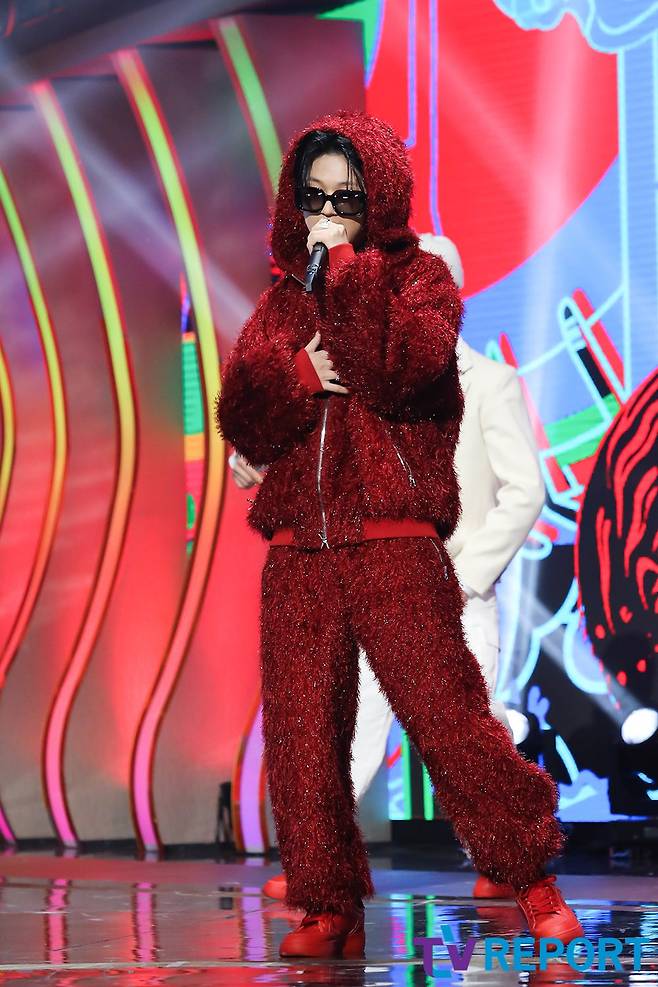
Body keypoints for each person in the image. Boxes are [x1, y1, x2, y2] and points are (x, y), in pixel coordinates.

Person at [216, 110, 582, 959]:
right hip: (298, 548)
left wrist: (348, 275)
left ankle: (531, 876)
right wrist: (299, 375)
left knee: (450, 719)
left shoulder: (421, 282)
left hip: (394, 539)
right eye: (314, 195)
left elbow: (400, 369)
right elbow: (243, 415)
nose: (328, 210)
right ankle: (327, 904)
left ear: (377, 195)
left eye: (345, 195)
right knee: (305, 736)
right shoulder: (281, 302)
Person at [229, 233, 547, 903]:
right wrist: (255, 456)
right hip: (379, 580)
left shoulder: (489, 382)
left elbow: (524, 491)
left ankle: (510, 858)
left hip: (456, 589)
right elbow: (314, 453)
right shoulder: (368, 381)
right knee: (352, 728)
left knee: (467, 732)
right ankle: (320, 863)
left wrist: (467, 576)